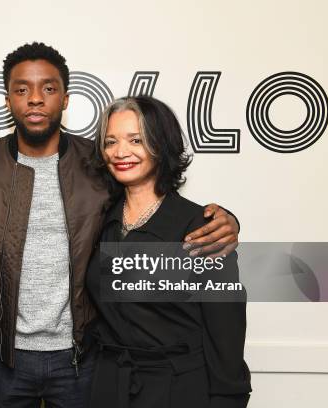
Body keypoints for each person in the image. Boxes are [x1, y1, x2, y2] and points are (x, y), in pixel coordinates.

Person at [0, 43, 240, 408]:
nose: (35, 98)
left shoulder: (99, 165)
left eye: (48, 88)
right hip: (0, 361)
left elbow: (151, 203)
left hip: (83, 361)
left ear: (66, 98)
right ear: (6, 100)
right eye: (22, 90)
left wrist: (224, 220)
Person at [85, 96, 251, 408]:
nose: (120, 152)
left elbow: (225, 334)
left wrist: (228, 399)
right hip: (109, 386)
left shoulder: (202, 228)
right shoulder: (100, 220)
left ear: (160, 144)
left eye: (136, 140)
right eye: (110, 141)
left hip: (179, 390)